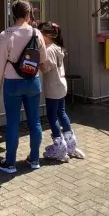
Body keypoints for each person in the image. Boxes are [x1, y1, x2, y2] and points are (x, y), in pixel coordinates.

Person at [0, 0, 50, 173]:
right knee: (35, 122)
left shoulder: (6, 35)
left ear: (13, 14)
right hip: (33, 82)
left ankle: (10, 163)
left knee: (13, 123)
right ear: (28, 14)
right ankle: (34, 159)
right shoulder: (36, 33)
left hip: (12, 83)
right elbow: (43, 60)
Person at [37, 22, 85, 162]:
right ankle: (70, 144)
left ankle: (59, 146)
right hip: (61, 84)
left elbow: (46, 68)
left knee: (52, 116)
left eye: (40, 35)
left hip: (53, 86)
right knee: (62, 113)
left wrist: (37, 63)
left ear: (47, 36)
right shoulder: (58, 48)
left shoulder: (49, 49)